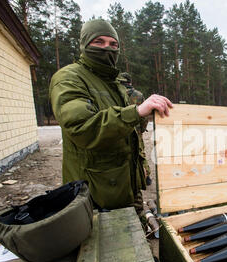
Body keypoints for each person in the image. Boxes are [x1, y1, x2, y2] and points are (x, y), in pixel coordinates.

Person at [49, 19, 172, 211]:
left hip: (126, 188)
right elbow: (83, 128)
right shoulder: (69, 78)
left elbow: (130, 134)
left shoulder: (114, 83)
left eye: (113, 44)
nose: (108, 48)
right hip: (95, 194)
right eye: (99, 42)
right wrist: (137, 111)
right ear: (84, 44)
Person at [117, 72, 151, 222]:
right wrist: (141, 131)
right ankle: (145, 177)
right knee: (139, 156)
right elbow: (144, 117)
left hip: (118, 131)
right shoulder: (137, 94)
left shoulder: (115, 91)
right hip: (135, 132)